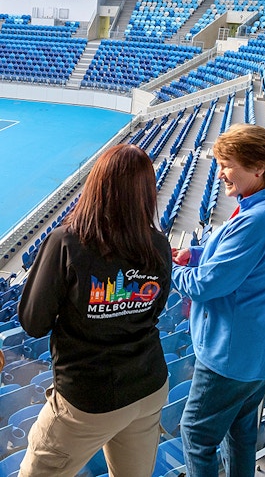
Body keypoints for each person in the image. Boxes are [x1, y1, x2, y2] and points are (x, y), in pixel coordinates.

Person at [17, 144, 172, 477]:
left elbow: (33, 322)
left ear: (97, 185)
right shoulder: (159, 245)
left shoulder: (67, 242)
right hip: (149, 387)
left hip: (88, 398)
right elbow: (154, 309)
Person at [171, 123, 265, 477]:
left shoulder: (258, 219)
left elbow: (204, 286)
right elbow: (249, 261)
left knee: (197, 434)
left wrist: (164, 268)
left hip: (234, 357)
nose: (220, 174)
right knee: (241, 429)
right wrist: (196, 253)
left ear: (258, 167)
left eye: (227, 164)